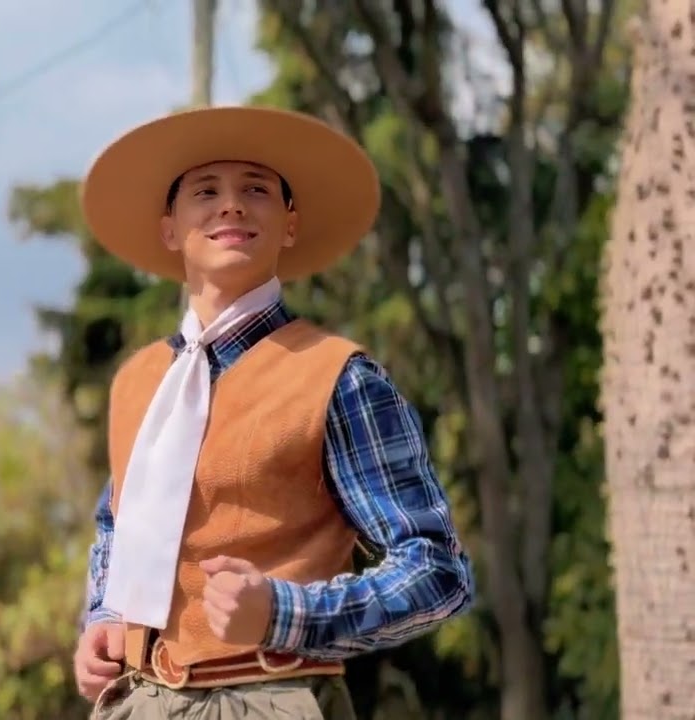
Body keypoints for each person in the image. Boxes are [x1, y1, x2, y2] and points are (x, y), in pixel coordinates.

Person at [70, 106, 475, 720]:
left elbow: (439, 571)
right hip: (138, 701)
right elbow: (114, 525)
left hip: (268, 699)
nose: (231, 206)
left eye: (255, 190)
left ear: (289, 225)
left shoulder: (339, 377)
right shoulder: (139, 383)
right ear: (169, 229)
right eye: (206, 191)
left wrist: (288, 614)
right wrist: (102, 616)